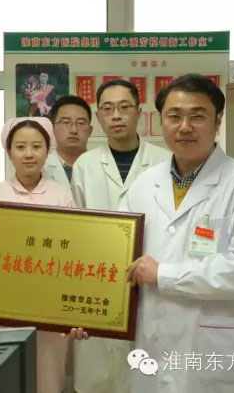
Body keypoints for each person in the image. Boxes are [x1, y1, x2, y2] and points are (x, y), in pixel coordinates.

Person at [122, 74, 234, 393]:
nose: (184, 126)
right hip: (152, 344)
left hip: (211, 349)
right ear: (160, 122)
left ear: (218, 121)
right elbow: (119, 253)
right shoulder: (144, 184)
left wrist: (164, 275)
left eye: (197, 116)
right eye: (174, 116)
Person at [71, 79, 170, 393]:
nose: (116, 115)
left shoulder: (165, 161)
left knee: (145, 375)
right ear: (98, 117)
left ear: (139, 112)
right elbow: (77, 230)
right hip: (96, 280)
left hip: (149, 280)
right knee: (97, 375)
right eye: (108, 108)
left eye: (124, 107)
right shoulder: (85, 165)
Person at [0, 117, 76, 393]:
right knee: (7, 376)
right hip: (4, 302)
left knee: (49, 378)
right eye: (20, 146)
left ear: (47, 152)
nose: (29, 154)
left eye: (37, 146)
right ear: (9, 151)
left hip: (51, 303)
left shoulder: (62, 195)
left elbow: (72, 249)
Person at [44, 95, 93, 185]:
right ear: (53, 128)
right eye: (66, 122)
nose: (74, 130)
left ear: (90, 131)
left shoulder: (100, 166)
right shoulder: (41, 168)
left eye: (81, 123)